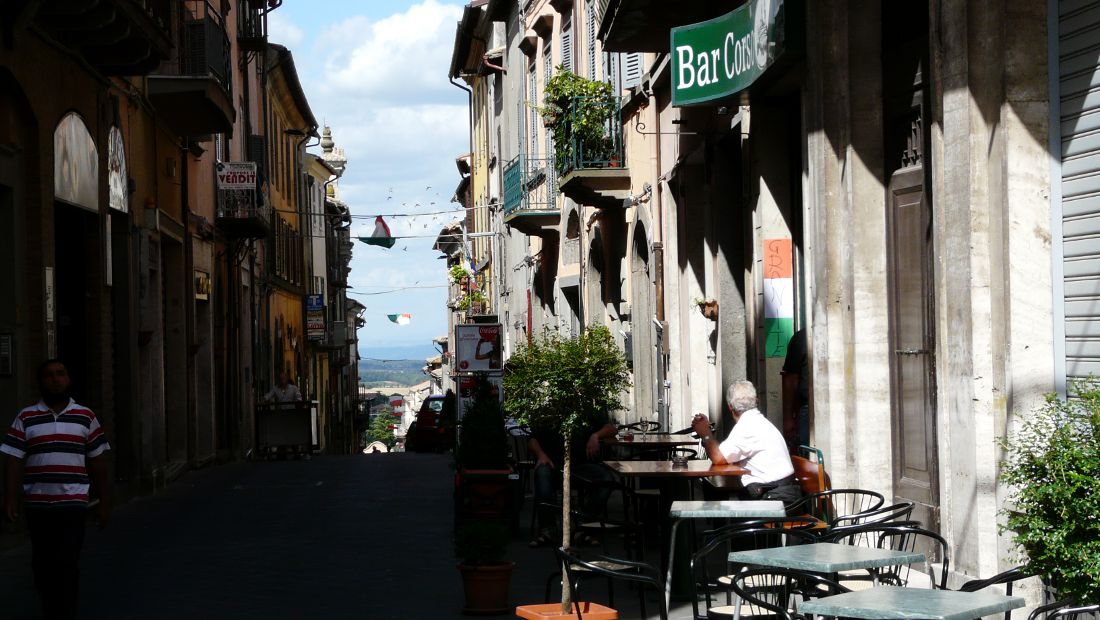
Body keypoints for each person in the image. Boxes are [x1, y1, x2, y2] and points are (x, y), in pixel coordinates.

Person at [2, 359, 111, 620]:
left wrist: (105, 502)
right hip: (38, 504)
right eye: (49, 375)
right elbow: (14, 459)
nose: (55, 379)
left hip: (72, 503)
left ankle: (64, 613)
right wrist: (10, 497)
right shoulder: (26, 417)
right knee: (42, 564)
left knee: (66, 563)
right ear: (41, 382)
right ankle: (50, 607)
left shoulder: (85, 416)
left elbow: (98, 462)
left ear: (68, 379)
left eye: (60, 373)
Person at [692, 380, 803, 511]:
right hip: (783, 493)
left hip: (776, 498)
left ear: (730, 407)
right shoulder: (757, 421)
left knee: (725, 510)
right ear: (756, 401)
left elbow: (718, 457)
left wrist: (705, 434)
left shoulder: (747, 426)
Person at [527, 415, 618, 548]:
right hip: (553, 465)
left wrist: (595, 435)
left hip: (581, 466)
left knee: (606, 479)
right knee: (542, 473)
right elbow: (532, 439)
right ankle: (547, 529)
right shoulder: (548, 412)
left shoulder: (586, 410)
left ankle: (585, 525)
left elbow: (611, 429)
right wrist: (541, 454)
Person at [782, 329, 810, 448]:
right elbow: (790, 379)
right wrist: (788, 417)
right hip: (806, 409)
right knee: (807, 454)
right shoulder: (801, 339)